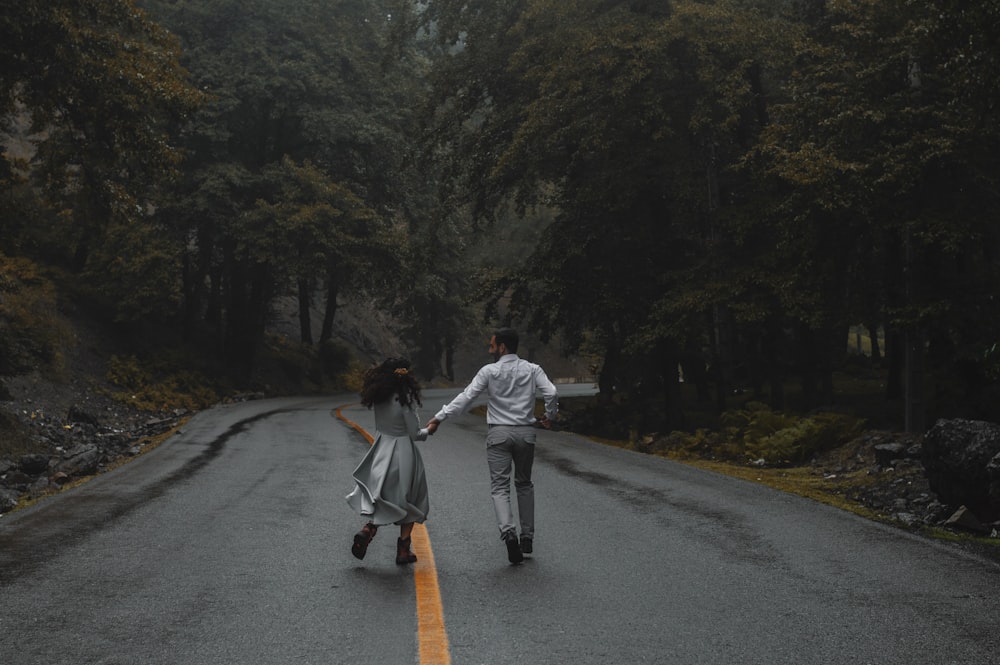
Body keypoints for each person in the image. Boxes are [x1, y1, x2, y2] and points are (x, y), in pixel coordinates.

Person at [426, 328, 558, 564]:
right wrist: (550, 415)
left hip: (498, 434)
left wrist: (439, 417)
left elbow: (466, 398)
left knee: (500, 487)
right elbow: (551, 392)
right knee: (524, 483)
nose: (490, 349)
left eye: (492, 345)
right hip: (526, 434)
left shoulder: (489, 371)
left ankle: (509, 534)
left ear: (502, 347)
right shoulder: (532, 369)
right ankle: (527, 537)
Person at [346, 358, 430, 565]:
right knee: (410, 499)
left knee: (383, 498)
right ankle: (403, 550)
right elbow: (414, 432)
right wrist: (429, 431)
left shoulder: (379, 396)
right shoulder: (405, 398)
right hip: (404, 452)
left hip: (382, 450)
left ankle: (369, 529)